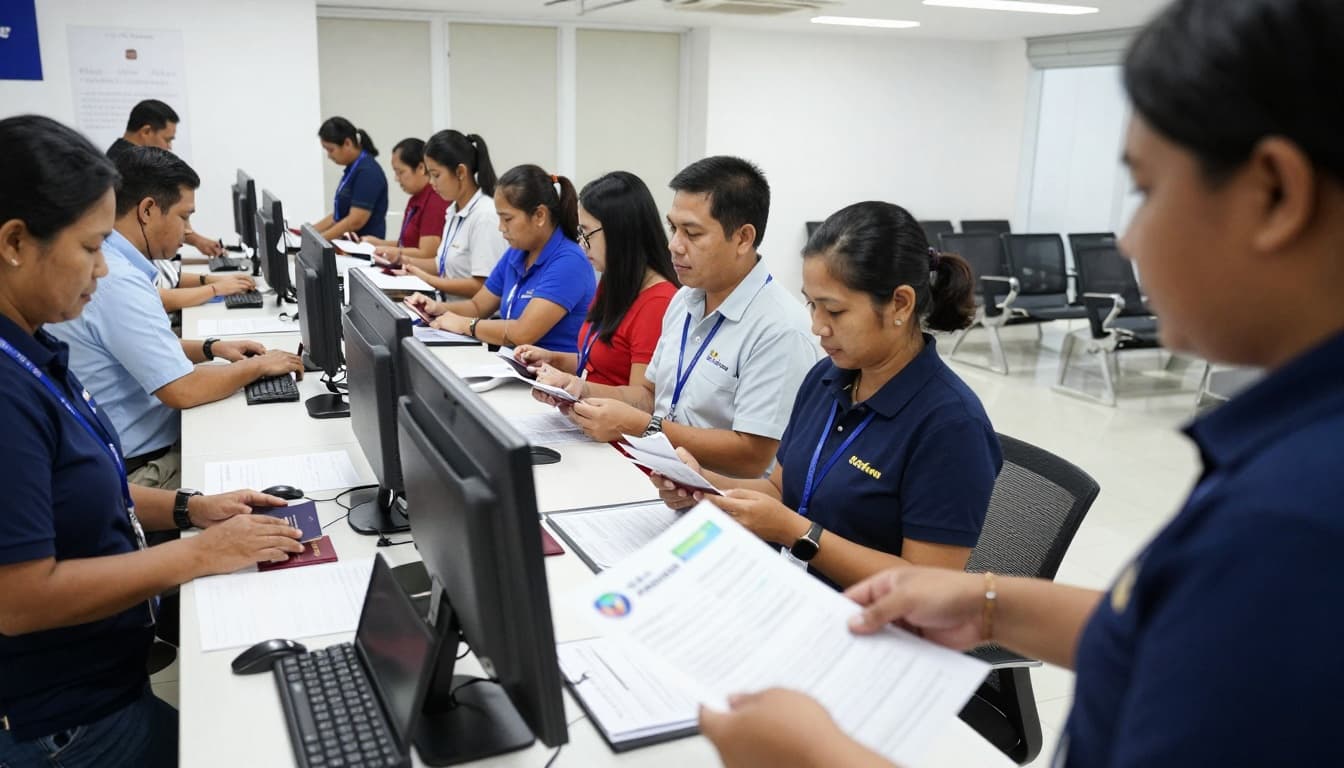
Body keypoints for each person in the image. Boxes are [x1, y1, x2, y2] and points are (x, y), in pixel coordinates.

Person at [698, 0, 1344, 765]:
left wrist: (815, 756)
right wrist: (991, 601)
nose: (1130, 240)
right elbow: (1165, 629)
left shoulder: (1295, 523)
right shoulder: (1286, 457)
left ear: (1273, 194)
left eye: (1147, 190)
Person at [0, 113, 305, 768]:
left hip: (103, 684)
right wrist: (199, 555)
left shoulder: (32, 342)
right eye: (90, 248)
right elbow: (19, 600)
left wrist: (191, 509)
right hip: (67, 722)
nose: (105, 271)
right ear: (15, 242)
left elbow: (81, 488)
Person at [652, 202, 1000, 588]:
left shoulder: (950, 425)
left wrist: (799, 534)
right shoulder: (826, 378)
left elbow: (931, 587)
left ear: (900, 303)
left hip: (870, 622)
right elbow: (780, 491)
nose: (818, 327)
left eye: (834, 311)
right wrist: (703, 484)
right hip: (782, 586)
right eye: (812, 304)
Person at [532, 156, 817, 478]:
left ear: (743, 238)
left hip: (722, 501)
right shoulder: (685, 300)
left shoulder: (779, 329)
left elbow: (751, 455)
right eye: (673, 228)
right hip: (657, 473)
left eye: (692, 234)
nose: (674, 245)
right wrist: (580, 389)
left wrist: (645, 428)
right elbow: (649, 395)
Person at [46, 147, 304, 489]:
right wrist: (258, 366)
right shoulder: (117, 279)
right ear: (148, 210)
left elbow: (141, 345)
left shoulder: (116, 263)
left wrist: (212, 347)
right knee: (272, 461)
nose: (188, 230)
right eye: (184, 217)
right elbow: (183, 391)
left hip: (140, 443)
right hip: (142, 465)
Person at [513, 171, 679, 387]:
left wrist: (578, 389)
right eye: (580, 235)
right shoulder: (613, 280)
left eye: (587, 234)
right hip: (587, 413)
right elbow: (601, 364)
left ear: (620, 231)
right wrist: (553, 359)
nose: (582, 246)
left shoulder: (658, 302)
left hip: (608, 417)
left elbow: (642, 399)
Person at [405, 164, 595, 351]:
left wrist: (465, 325)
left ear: (539, 215)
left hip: (553, 377)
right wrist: (438, 308)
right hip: (517, 365)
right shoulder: (518, 251)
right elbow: (478, 306)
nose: (501, 228)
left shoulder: (569, 262)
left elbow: (523, 333)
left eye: (508, 219)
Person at [380, 129, 506, 299]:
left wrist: (428, 280)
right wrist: (403, 260)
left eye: (436, 175)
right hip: (448, 309)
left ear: (461, 172)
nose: (431, 183)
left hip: (474, 320)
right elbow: (441, 264)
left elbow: (483, 286)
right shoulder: (453, 210)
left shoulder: (484, 215)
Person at [106, 99, 224, 258]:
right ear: (146, 131)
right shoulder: (127, 165)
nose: (169, 147)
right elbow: (163, 210)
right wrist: (197, 241)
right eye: (167, 139)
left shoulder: (117, 158)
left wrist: (197, 241)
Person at [356, 138, 449, 264]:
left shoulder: (434, 200)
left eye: (400, 172)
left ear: (421, 168)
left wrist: (385, 249)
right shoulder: (416, 198)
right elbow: (408, 244)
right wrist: (379, 243)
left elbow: (427, 253)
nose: (396, 178)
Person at [311, 117, 388, 241]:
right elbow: (338, 216)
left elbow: (355, 221)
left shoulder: (368, 172)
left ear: (347, 143)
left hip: (362, 251)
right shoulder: (353, 169)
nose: (329, 156)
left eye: (331, 150)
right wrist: (310, 232)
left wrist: (319, 240)